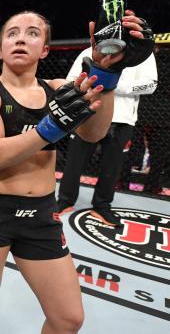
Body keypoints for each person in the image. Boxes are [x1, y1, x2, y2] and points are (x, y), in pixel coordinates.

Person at [0, 9, 153, 334]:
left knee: (69, 316)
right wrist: (51, 125)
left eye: (32, 33)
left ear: (46, 49)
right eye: (11, 32)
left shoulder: (64, 88)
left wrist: (105, 75)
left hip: (40, 216)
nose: (20, 38)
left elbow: (94, 134)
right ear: (2, 47)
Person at [56, 48, 158, 225]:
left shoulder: (142, 53)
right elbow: (71, 80)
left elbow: (151, 85)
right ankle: (64, 201)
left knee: (112, 166)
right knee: (74, 161)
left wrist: (112, 83)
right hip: (87, 113)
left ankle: (102, 207)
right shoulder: (91, 50)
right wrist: (89, 85)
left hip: (122, 118)